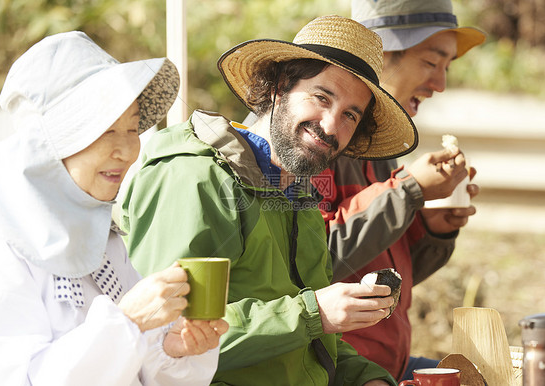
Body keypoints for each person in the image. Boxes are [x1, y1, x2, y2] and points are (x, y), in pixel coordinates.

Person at [122, 15, 419, 386]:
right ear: (279, 87)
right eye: (321, 97)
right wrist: (314, 314)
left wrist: (366, 379)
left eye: (349, 116)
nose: (330, 126)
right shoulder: (196, 178)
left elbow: (313, 345)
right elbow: (170, 340)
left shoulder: (298, 195)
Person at [0, 31, 228, 385]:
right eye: (105, 130)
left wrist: (171, 348)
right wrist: (129, 321)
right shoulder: (5, 240)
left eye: (133, 128)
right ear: (47, 144)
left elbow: (133, 367)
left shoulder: (99, 235)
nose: (128, 150)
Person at [309, 0, 487, 381]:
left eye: (445, 67)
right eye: (430, 62)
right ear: (381, 53)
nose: (440, 84)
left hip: (384, 367)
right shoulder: (316, 143)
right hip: (338, 371)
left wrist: (430, 229)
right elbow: (312, 263)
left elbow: (381, 282)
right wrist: (406, 191)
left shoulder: (383, 149)